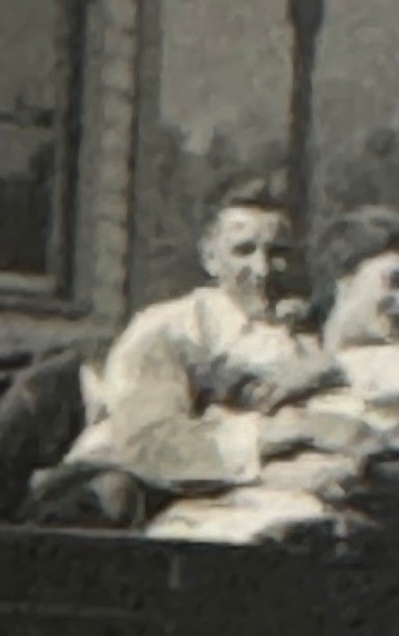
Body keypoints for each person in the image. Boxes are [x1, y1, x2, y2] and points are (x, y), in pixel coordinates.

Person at [146, 206, 399, 544]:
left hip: (307, 531)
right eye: (396, 282)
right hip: (204, 518)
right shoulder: (280, 346)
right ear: (344, 277)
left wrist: (331, 371)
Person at [33, 176, 339, 520]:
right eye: (243, 250)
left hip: (246, 494)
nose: (263, 269)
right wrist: (272, 437)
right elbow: (151, 443)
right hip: (129, 487)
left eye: (279, 253)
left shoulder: (307, 336)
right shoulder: (171, 326)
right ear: (210, 258)